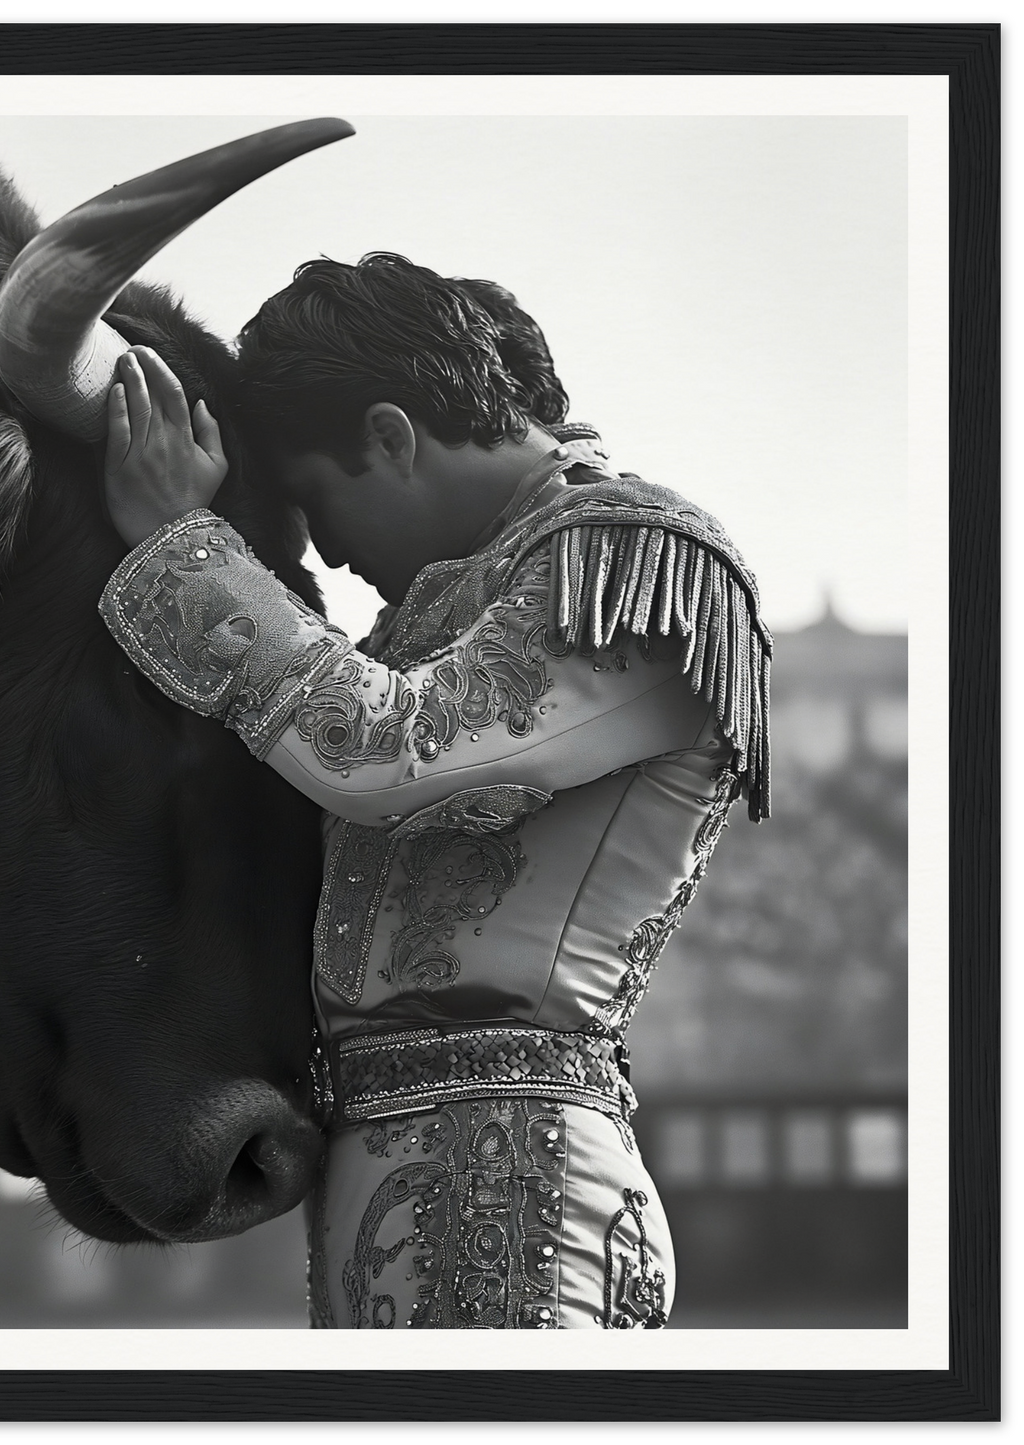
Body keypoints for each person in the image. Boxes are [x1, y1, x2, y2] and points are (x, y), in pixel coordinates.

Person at [98, 253, 771, 1329]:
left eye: (315, 499)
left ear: (388, 434)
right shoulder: (453, 600)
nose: (321, 548)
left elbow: (388, 752)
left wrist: (185, 550)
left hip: (514, 1180)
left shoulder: (633, 557)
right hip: (407, 1172)